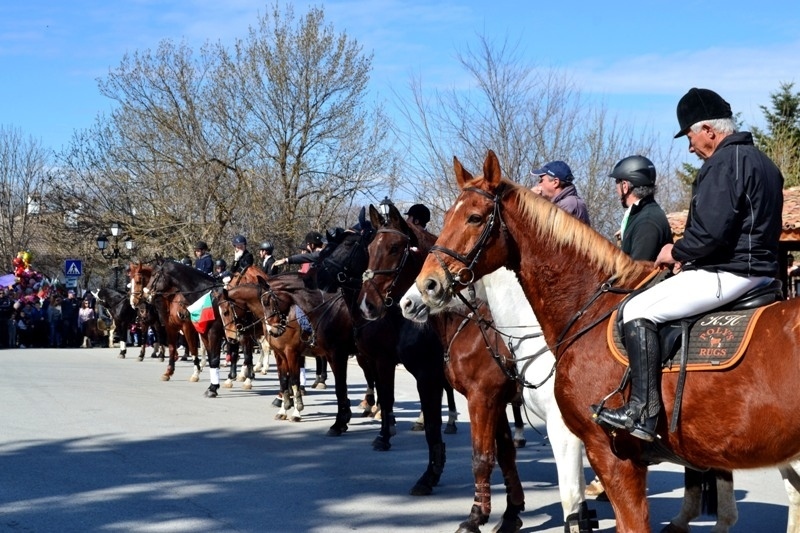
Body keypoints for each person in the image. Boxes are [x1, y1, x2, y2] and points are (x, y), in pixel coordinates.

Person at [593, 87, 784, 442]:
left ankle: (642, 411)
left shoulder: (724, 163)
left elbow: (710, 232)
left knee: (637, 310)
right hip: (762, 275)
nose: (690, 146)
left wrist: (676, 253)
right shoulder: (765, 163)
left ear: (709, 130)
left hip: (728, 273)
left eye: (691, 136)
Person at [274, 231, 327, 388]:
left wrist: (286, 259)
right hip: (315, 290)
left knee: (304, 311)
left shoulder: (320, 253)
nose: (305, 250)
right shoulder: (316, 254)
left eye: (306, 247)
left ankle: (311, 334)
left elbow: (308, 259)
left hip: (323, 292)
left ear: (310, 245)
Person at [609, 155, 673, 261]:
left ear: (625, 186)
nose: (616, 189)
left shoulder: (647, 222)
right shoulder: (641, 213)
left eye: (617, 182)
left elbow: (638, 271)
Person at [531, 160, 591, 225]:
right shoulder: (563, 203)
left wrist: (532, 200)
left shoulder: (569, 204)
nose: (539, 184)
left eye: (542, 180)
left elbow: (542, 228)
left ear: (555, 182)